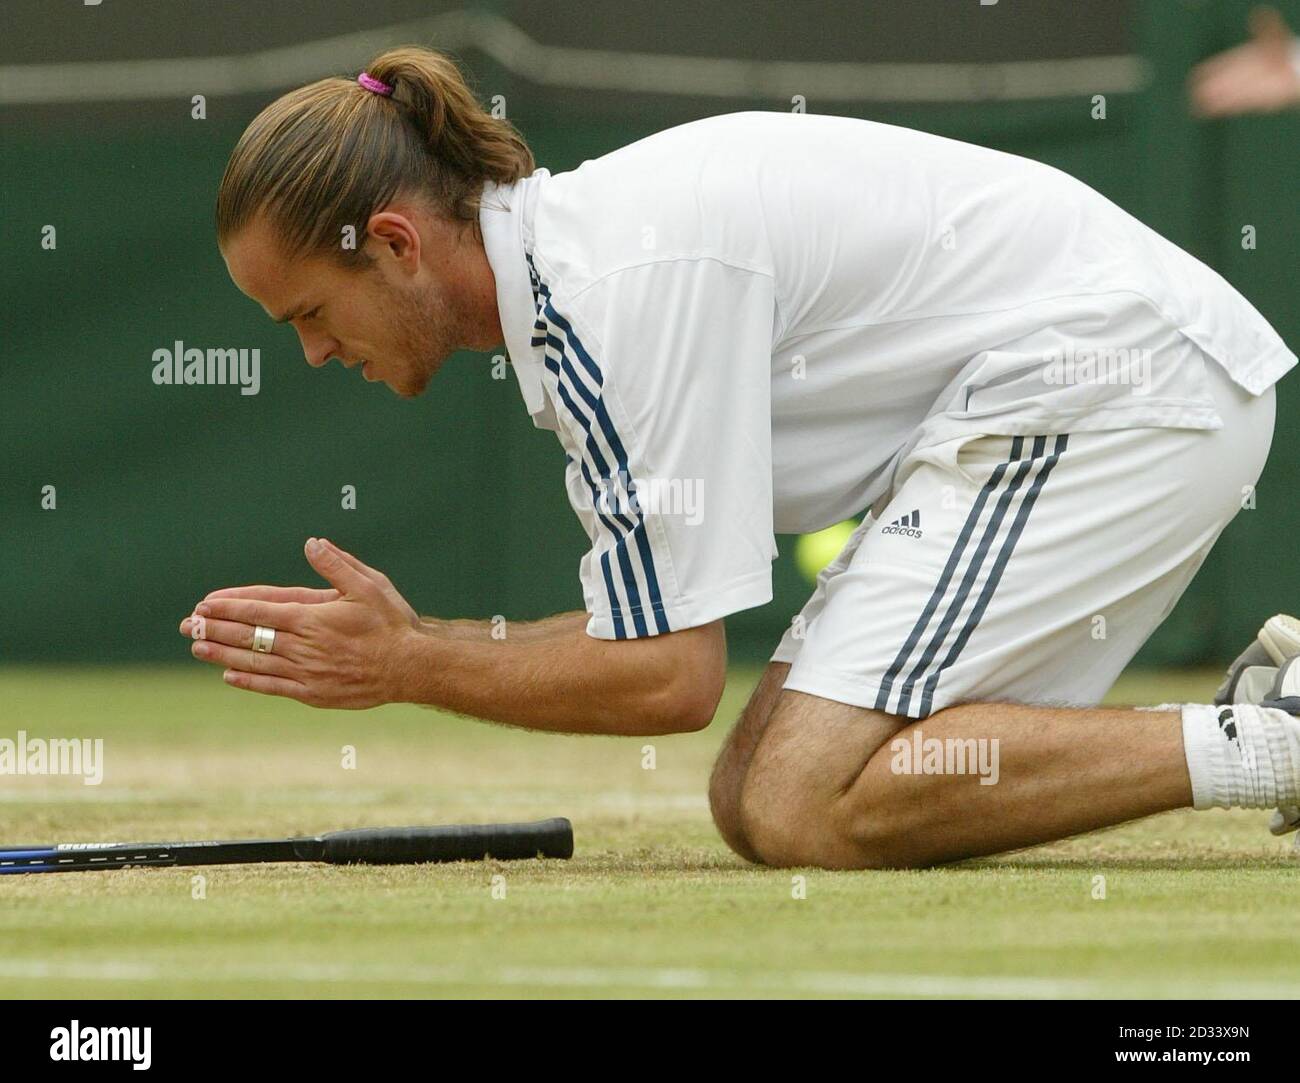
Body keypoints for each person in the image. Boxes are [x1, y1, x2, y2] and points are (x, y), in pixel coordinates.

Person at [184, 46, 1298, 869]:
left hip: (1119, 383)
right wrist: (412, 651)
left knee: (808, 801)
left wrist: (407, 659)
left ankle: (1277, 745)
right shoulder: (577, 283)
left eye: (311, 314)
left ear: (393, 243)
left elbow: (668, 673)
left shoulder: (605, 300)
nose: (317, 353)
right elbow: (661, 660)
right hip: (1074, 392)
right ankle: (1264, 719)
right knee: (757, 797)